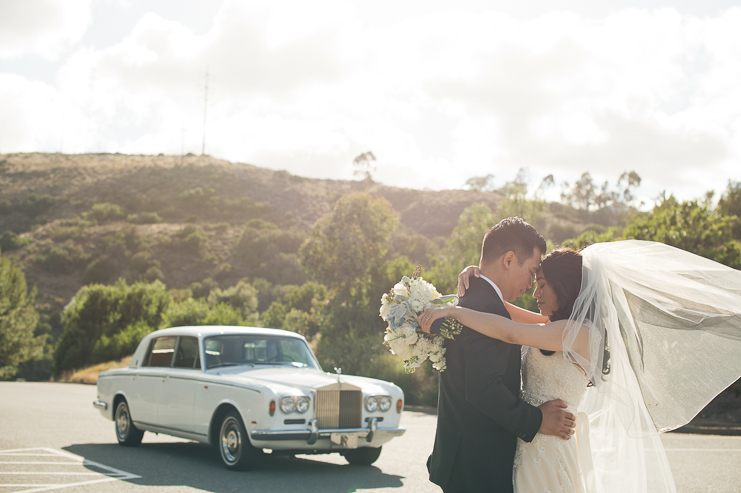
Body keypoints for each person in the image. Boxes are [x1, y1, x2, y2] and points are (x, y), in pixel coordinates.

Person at [421, 240, 741, 493]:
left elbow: (509, 330)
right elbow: (501, 309)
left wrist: (454, 314)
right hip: (529, 441)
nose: (536, 292)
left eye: (543, 284)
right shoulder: (560, 326)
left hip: (547, 444)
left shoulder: (576, 334)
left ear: (566, 287)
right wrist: (476, 278)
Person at [425, 217, 577, 493]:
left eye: (540, 280)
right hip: (479, 467)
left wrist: (474, 278)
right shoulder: (487, 308)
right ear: (508, 260)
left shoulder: (475, 301)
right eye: (532, 273)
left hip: (466, 460)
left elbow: (530, 325)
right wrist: (537, 419)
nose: (532, 286)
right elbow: (484, 389)